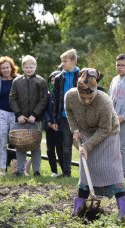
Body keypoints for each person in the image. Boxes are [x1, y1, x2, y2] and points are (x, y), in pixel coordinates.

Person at [65, 68, 125, 218]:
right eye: (83, 97)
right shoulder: (70, 96)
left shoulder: (104, 101)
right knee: (86, 173)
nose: (87, 101)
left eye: (90, 97)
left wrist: (87, 146)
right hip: (86, 132)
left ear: (95, 90)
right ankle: (78, 209)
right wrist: (74, 129)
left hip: (108, 134)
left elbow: (105, 129)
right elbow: (69, 112)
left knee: (112, 171)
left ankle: (123, 211)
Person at [9, 55, 48, 176]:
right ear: (22, 68)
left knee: (35, 145)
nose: (29, 69)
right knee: (20, 145)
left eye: (31, 67)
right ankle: (20, 170)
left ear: (35, 67)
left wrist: (34, 114)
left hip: (35, 119)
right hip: (20, 119)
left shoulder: (41, 81)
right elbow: (12, 98)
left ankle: (36, 170)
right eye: (26, 67)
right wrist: (19, 114)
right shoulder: (16, 81)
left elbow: (44, 99)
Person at [52, 49, 80, 177]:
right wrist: (54, 119)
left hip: (80, 117)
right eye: (62, 61)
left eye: (65, 61)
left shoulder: (81, 75)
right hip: (64, 117)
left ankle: (87, 172)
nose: (62, 63)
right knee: (66, 146)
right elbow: (56, 99)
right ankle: (66, 172)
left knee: (84, 145)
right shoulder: (58, 78)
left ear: (73, 61)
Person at [0, 56, 18, 175]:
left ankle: (16, 168)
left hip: (16, 113)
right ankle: (2, 169)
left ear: (11, 68)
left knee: (16, 141)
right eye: (3, 68)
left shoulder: (18, 80)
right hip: (1, 113)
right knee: (2, 141)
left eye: (7, 67)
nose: (6, 70)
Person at [44, 70, 64, 177]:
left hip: (60, 127)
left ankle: (64, 170)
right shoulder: (47, 94)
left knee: (61, 149)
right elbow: (45, 110)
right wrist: (49, 122)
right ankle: (54, 171)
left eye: (55, 80)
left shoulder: (62, 94)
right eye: (51, 80)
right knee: (50, 149)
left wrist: (57, 124)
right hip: (49, 127)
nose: (53, 82)